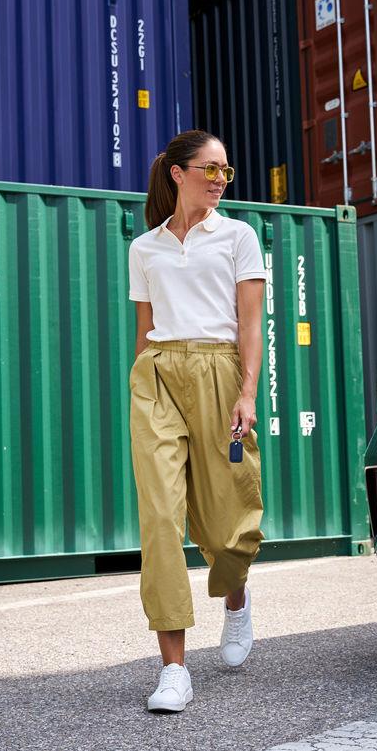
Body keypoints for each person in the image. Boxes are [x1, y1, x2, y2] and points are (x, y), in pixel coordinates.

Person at [127, 129, 267, 713]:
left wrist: (247, 392)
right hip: (158, 374)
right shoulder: (145, 248)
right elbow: (144, 329)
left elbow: (251, 324)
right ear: (177, 173)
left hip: (219, 371)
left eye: (225, 171)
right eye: (209, 169)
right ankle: (174, 670)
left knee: (222, 521)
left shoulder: (238, 236)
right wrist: (139, 379)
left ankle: (235, 599)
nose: (218, 179)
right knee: (160, 516)